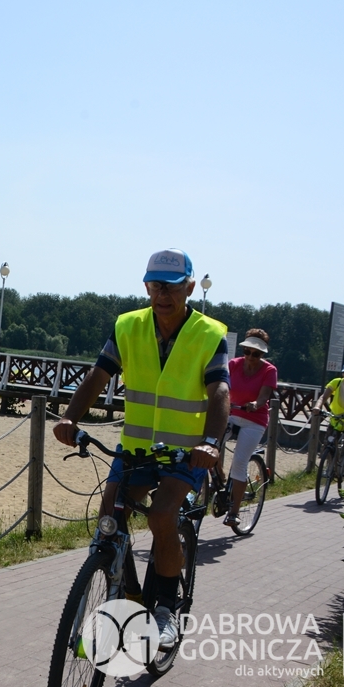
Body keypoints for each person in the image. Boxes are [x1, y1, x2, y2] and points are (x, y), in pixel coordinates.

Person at [53, 248, 229, 649]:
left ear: (189, 287)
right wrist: (70, 418)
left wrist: (210, 443)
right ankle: (125, 592)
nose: (162, 294)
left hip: (185, 452)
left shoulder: (208, 334)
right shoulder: (128, 326)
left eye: (171, 287)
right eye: (154, 286)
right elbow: (99, 374)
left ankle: (165, 609)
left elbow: (220, 389)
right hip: (135, 450)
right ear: (146, 287)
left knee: (162, 516)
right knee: (109, 519)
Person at [222, 329, 278, 527]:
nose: (251, 357)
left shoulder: (269, 370)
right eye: (247, 352)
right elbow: (222, 387)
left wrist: (256, 404)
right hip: (232, 414)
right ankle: (218, 479)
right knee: (209, 443)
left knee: (239, 463)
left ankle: (234, 512)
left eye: (256, 354)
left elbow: (264, 396)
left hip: (254, 420)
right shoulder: (233, 364)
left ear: (262, 354)